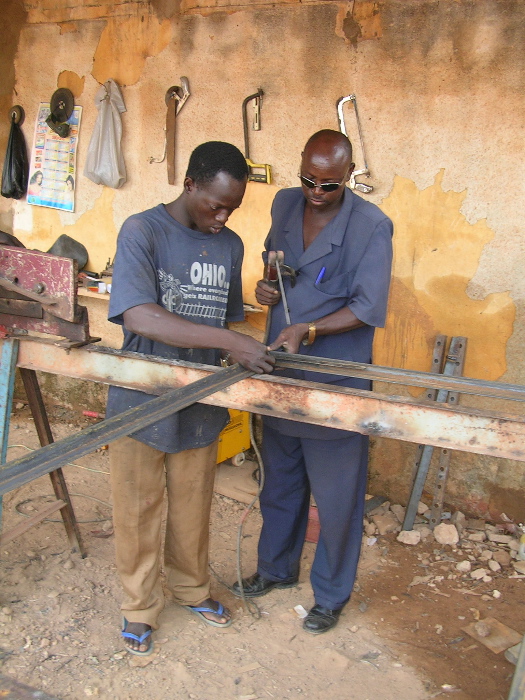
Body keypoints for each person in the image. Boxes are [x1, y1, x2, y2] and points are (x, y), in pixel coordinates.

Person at [106, 141, 275, 656]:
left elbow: (220, 319)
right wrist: (232, 343)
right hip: (142, 395)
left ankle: (191, 588)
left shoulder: (229, 245)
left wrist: (258, 303)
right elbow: (139, 315)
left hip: (201, 395)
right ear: (189, 185)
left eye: (233, 208)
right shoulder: (143, 230)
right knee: (137, 507)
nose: (222, 217)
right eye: (214, 205)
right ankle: (139, 607)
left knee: (192, 503)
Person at [233, 129, 393, 634]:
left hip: (334, 380)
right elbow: (274, 266)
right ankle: (275, 569)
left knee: (337, 495)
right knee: (280, 481)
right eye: (308, 179)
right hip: (280, 368)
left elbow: (369, 307)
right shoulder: (284, 205)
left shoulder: (371, 227)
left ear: (348, 177)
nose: (316, 191)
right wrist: (266, 287)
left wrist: (313, 328)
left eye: (328, 184)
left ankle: (330, 593)